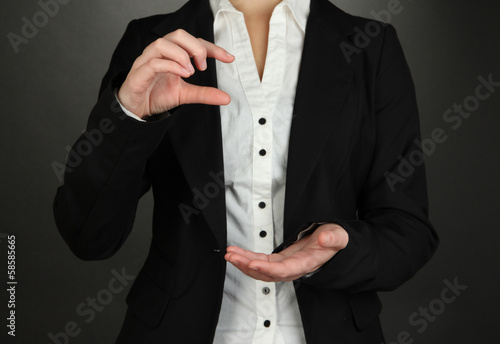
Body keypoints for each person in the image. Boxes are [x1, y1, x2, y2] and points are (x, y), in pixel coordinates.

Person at [53, 0, 439, 342]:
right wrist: (130, 116)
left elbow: (408, 232)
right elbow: (89, 236)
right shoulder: (150, 41)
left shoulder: (373, 45)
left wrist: (338, 247)